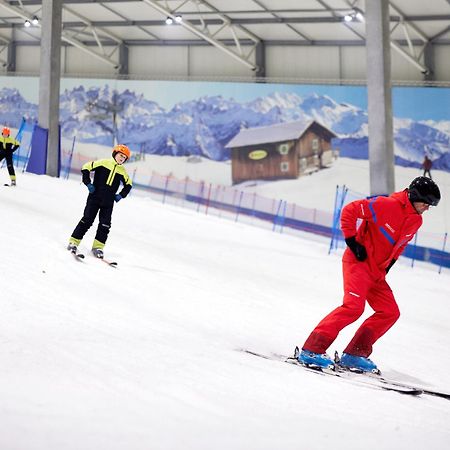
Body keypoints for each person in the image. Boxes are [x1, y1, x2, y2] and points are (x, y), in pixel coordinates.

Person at [298, 176, 441, 373]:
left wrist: (389, 264)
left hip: (377, 272)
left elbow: (401, 244)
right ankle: (311, 350)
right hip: (359, 264)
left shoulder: (416, 220)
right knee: (353, 307)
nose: (427, 208)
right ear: (414, 196)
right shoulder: (385, 204)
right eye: (425, 204)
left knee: (389, 312)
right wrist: (352, 241)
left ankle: (355, 354)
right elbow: (350, 210)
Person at [67, 144, 133, 258]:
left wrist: (121, 195)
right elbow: (86, 167)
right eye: (120, 155)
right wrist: (88, 183)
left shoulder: (122, 171)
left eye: (124, 157)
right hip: (95, 197)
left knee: (105, 225)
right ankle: (73, 242)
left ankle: (98, 247)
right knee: (87, 220)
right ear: (115, 154)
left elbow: (129, 185)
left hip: (108, 202)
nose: (122, 158)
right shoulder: (103, 163)